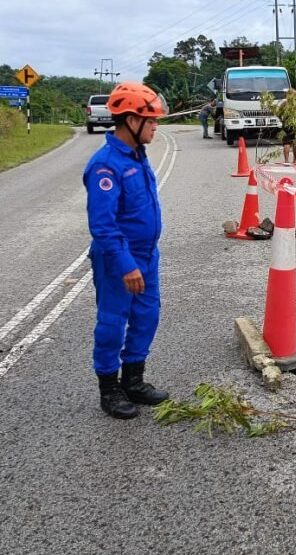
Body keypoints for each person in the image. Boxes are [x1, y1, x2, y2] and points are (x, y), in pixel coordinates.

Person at [82, 82, 171, 419]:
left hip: (147, 255)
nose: (155, 127)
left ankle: (134, 380)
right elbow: (103, 226)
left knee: (147, 315)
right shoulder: (106, 166)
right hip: (118, 259)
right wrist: (125, 264)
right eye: (151, 121)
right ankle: (110, 389)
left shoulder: (137, 156)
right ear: (131, 121)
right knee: (112, 322)